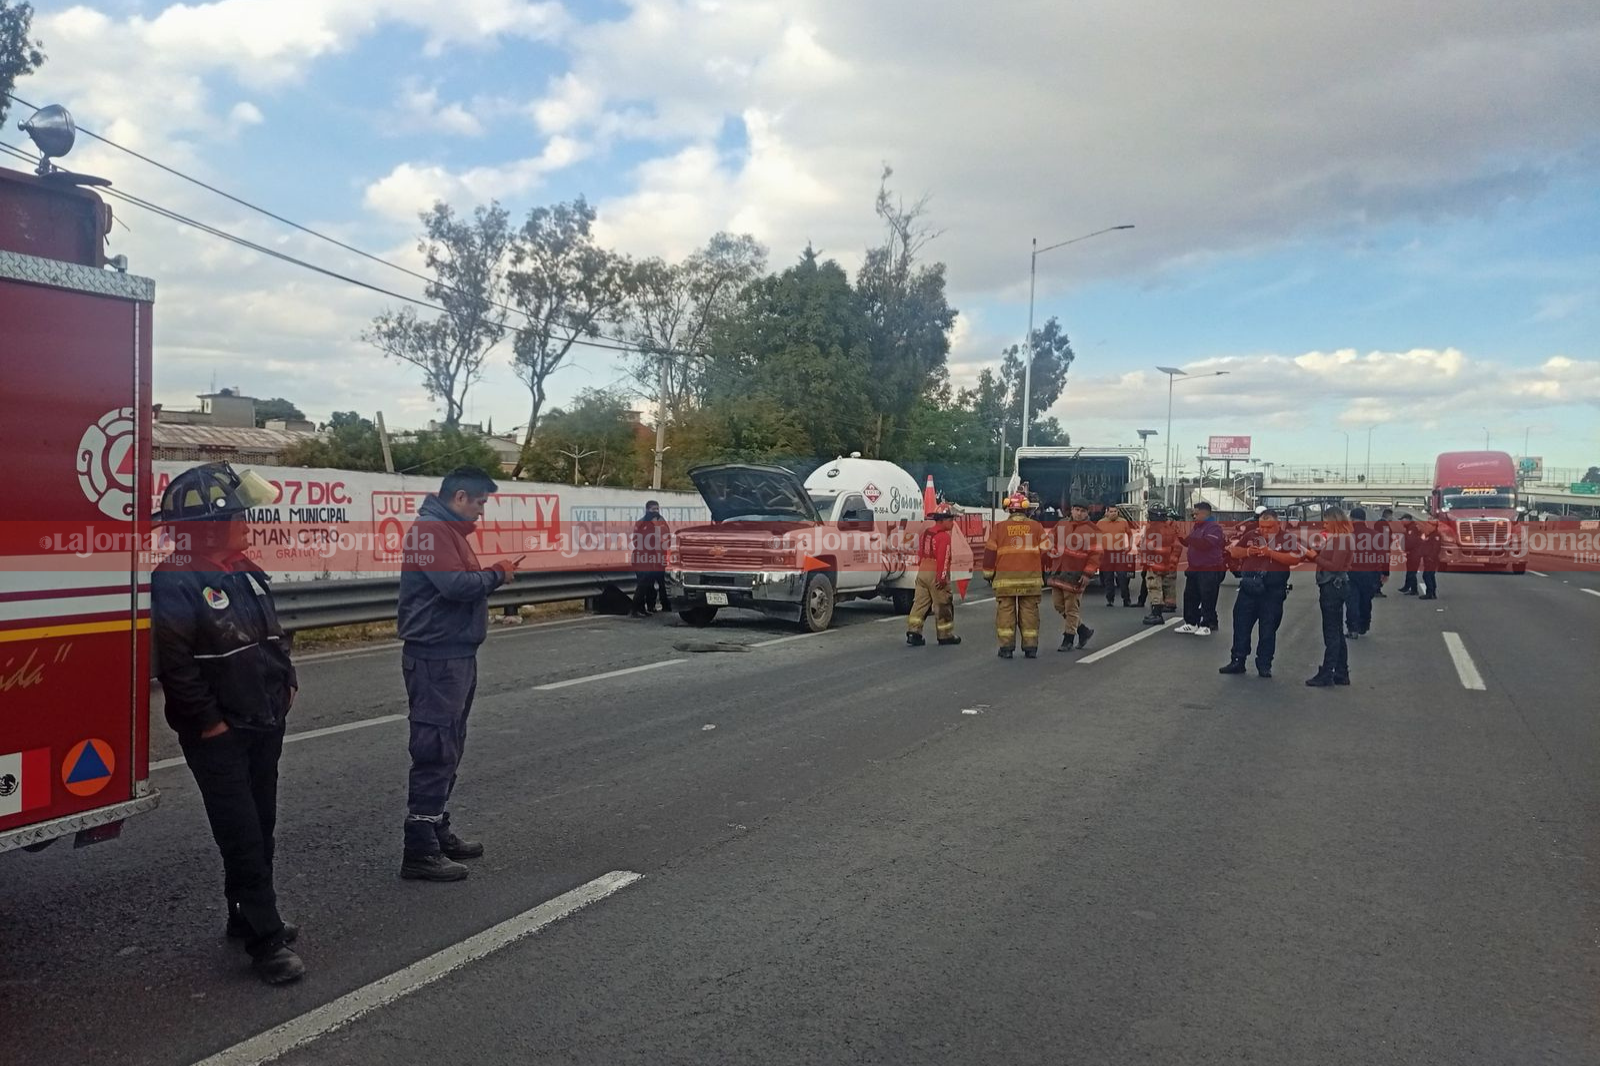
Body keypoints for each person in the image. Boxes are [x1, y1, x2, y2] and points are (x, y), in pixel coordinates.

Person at [151, 462, 304, 985]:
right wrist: (209, 723)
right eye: (239, 515)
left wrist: (287, 680)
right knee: (240, 832)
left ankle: (245, 915)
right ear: (209, 525)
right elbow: (174, 666)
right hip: (220, 733)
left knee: (261, 825)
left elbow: (271, 634)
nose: (249, 521)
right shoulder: (174, 579)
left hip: (264, 720)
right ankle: (267, 942)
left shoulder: (244, 568)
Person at [397, 467, 519, 882]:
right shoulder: (431, 532)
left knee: (450, 744)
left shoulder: (447, 533)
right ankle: (419, 847)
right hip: (435, 656)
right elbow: (455, 586)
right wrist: (498, 573)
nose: (483, 511)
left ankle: (434, 825)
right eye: (481, 502)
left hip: (454, 653)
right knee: (434, 745)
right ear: (461, 496)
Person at [1219, 507, 1303, 679]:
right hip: (1249, 588)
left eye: (1269, 527)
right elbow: (1234, 552)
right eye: (1262, 526)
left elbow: (1295, 558)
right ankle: (1238, 660)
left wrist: (1270, 553)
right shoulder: (1251, 535)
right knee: (1241, 625)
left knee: (1268, 629)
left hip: (1272, 591)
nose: (1264, 530)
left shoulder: (1287, 538)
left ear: (1277, 524)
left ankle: (1264, 664)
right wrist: (1249, 552)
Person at [983, 493, 1047, 658]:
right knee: (1029, 612)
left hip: (1005, 581)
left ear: (1008, 508)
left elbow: (990, 554)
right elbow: (1047, 551)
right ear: (1026, 508)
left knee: (1005, 613)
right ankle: (1030, 648)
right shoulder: (1037, 527)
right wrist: (1043, 570)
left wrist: (988, 574)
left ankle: (1006, 649)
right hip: (1030, 580)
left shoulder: (999, 529)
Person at [1306, 506, 1354, 687]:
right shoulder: (1339, 539)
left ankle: (1327, 672)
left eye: (1327, 521)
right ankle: (1341, 672)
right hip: (1335, 586)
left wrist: (1314, 557)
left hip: (1333, 587)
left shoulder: (1341, 540)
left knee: (1331, 632)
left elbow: (1335, 566)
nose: (1324, 525)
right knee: (1337, 632)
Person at [1048, 502, 1098, 651]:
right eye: (1077, 510)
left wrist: (1088, 574)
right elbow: (1051, 536)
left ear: (1087, 513)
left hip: (1076, 574)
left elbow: (1096, 555)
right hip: (1058, 571)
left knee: (1071, 608)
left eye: (1083, 511)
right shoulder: (1062, 524)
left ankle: (1068, 639)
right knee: (1058, 605)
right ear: (1071, 510)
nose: (1079, 513)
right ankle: (1083, 631)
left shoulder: (1092, 531)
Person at [906, 510, 961, 647]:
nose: (952, 523)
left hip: (923, 570)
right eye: (950, 520)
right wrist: (941, 578)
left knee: (919, 604)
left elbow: (920, 553)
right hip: (935, 571)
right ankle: (945, 635)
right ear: (942, 521)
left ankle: (914, 632)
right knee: (943, 603)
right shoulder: (944, 537)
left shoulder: (927, 533)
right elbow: (944, 558)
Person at [1176, 500, 1226, 635]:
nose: (1193, 516)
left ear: (1204, 513)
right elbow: (1189, 543)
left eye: (1196, 514)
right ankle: (1191, 622)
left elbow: (1205, 544)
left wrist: (1188, 538)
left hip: (1209, 568)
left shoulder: (1214, 527)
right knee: (1190, 596)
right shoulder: (1197, 527)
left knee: (1208, 596)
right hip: (1194, 568)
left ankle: (1207, 623)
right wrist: (1181, 536)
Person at [1137, 504, 1182, 626]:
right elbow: (1177, 547)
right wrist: (1172, 562)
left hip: (1154, 564)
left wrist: (1144, 559)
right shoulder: (1170, 529)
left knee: (1154, 587)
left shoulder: (1152, 529)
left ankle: (1156, 613)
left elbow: (1147, 548)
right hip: (1167, 565)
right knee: (1167, 585)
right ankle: (1168, 605)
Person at [630, 500, 671, 618]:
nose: (656, 512)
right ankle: (637, 609)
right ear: (647, 510)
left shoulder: (662, 522)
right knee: (644, 584)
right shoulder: (642, 523)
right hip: (644, 558)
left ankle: (647, 608)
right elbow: (637, 541)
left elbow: (666, 539)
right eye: (653, 509)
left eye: (657, 509)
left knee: (658, 583)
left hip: (657, 558)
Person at [1344, 507, 1379, 639]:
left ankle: (1353, 628)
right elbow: (1382, 555)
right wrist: (1384, 573)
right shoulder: (1375, 535)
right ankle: (1364, 625)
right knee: (1366, 600)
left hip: (1351, 572)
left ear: (1351, 519)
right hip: (1370, 573)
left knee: (1352, 601)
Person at [1098, 505, 1135, 607]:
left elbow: (1130, 534)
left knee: (1123, 577)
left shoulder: (1123, 522)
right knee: (1108, 578)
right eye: (1111, 511)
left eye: (1115, 511)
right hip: (1106, 553)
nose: (1113, 513)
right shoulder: (1101, 523)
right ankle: (1110, 599)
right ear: (1107, 512)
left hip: (1120, 553)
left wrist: (1130, 546)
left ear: (1118, 512)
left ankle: (1126, 599)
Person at [1418, 517, 1442, 599]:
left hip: (1431, 559)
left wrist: (1431, 557)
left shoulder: (1436, 536)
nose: (1427, 527)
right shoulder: (1430, 535)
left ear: (1434, 527)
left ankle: (1430, 593)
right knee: (1430, 575)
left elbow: (1436, 548)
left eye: (1429, 525)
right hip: (1428, 558)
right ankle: (1432, 592)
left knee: (1427, 575)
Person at [1375, 508, 1396, 596]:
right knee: (1383, 571)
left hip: (1377, 550)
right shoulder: (1384, 525)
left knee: (1379, 569)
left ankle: (1376, 588)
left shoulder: (1377, 523)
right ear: (1388, 515)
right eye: (1391, 516)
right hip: (1383, 551)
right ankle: (1377, 589)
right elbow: (1386, 538)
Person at [1400, 515, 1423, 594]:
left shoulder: (1412, 528)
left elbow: (1411, 542)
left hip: (1414, 553)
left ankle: (1411, 589)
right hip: (1413, 553)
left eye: (1402, 520)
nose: (1401, 522)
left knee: (1412, 571)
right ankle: (1410, 588)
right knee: (1410, 570)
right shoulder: (1410, 527)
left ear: (1408, 520)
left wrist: (1406, 549)